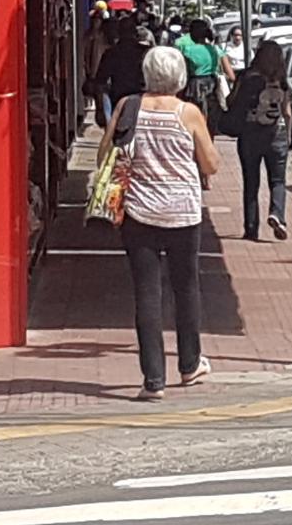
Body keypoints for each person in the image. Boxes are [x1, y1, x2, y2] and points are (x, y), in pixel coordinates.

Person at [99, 47, 221, 401]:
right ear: (180, 77)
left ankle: (153, 380)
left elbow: (104, 153)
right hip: (183, 213)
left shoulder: (128, 107)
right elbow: (211, 165)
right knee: (186, 288)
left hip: (139, 213)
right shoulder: (189, 113)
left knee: (147, 295)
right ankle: (190, 363)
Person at [228, 41, 292, 241]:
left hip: (250, 133)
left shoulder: (246, 77)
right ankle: (277, 214)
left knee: (251, 181)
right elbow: (287, 112)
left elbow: (231, 101)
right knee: (278, 180)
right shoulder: (281, 81)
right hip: (276, 134)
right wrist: (288, 134)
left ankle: (251, 228)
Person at [176, 20, 224, 134]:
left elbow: (185, 70)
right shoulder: (213, 49)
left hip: (195, 85)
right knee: (210, 117)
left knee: (194, 114)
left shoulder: (188, 51)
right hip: (212, 83)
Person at [96, 17, 153, 107]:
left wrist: (99, 107)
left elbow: (100, 81)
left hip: (119, 99)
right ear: (135, 33)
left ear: (118, 32)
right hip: (142, 99)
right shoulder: (145, 52)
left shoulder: (111, 53)